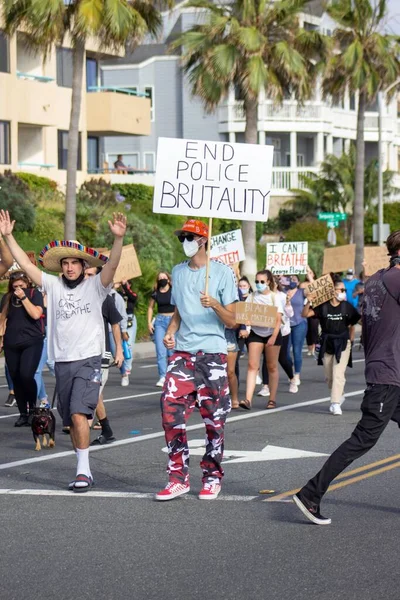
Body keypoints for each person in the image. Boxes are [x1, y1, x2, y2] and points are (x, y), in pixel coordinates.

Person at [0, 209, 126, 492]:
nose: (69, 268)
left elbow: (113, 267)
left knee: (80, 414)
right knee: (70, 419)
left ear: (83, 266)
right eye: (65, 264)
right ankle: (83, 466)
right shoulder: (54, 286)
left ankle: (83, 472)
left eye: (74, 263)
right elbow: (25, 264)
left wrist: (118, 240)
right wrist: (8, 236)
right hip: (62, 362)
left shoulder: (96, 286)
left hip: (89, 359)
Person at [293, 230, 400, 525]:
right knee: (363, 440)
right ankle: (310, 493)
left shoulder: (376, 280)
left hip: (387, 371)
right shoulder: (395, 279)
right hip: (387, 376)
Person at [155, 219, 238, 501]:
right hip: (183, 353)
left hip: (212, 354)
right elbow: (178, 310)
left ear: (203, 240)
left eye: (189, 237)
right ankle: (177, 477)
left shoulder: (223, 274)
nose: (185, 242)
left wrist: (214, 304)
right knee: (170, 413)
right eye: (182, 238)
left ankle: (212, 476)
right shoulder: (178, 272)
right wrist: (170, 331)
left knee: (214, 420)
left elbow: (234, 320)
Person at [303, 278, 360, 416]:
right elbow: (305, 314)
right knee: (329, 377)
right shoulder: (323, 306)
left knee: (338, 373)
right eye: (342, 290)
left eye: (345, 290)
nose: (344, 293)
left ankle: (335, 403)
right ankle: (340, 394)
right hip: (327, 342)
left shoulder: (347, 306)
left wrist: (352, 340)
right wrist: (309, 301)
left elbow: (355, 322)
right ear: (332, 292)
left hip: (342, 343)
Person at [85, 266, 124, 446]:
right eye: (85, 274)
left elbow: (115, 325)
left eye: (90, 275)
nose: (86, 277)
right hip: (82, 352)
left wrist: (119, 350)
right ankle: (106, 430)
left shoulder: (105, 299)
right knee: (96, 394)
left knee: (91, 394)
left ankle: (82, 435)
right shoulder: (77, 298)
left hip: (102, 353)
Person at [0, 271, 44, 426]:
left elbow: (36, 314)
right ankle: (23, 413)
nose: (18, 288)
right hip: (11, 343)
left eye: (21, 285)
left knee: (26, 375)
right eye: (15, 286)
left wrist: (23, 297)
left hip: (32, 341)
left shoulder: (34, 293)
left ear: (27, 284)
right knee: (16, 378)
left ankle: (32, 408)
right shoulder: (6, 298)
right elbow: (2, 320)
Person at [239, 270, 282, 410]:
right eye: (257, 281)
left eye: (262, 282)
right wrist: (245, 325)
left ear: (268, 282)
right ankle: (248, 399)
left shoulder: (274, 298)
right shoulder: (251, 297)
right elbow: (245, 314)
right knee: (252, 365)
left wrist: (273, 337)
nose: (259, 284)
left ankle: (272, 399)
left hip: (272, 333)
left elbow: (278, 319)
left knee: (272, 366)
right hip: (256, 333)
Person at [259, 277, 298, 397]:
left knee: (282, 358)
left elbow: (290, 314)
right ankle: (265, 386)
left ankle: (292, 379)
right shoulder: (261, 296)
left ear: (276, 284)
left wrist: (287, 303)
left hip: (282, 331)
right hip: (266, 331)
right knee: (267, 358)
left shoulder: (282, 296)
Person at [148, 271, 174, 387]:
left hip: (173, 321)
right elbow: (150, 307)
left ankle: (173, 375)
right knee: (160, 350)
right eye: (160, 278)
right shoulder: (156, 293)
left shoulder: (174, 291)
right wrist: (149, 323)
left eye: (164, 277)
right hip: (160, 322)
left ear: (168, 279)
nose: (162, 279)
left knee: (171, 351)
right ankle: (163, 376)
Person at [285, 275, 307, 386]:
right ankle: (291, 370)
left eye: (294, 280)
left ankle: (296, 374)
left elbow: (316, 289)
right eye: (289, 279)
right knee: (285, 353)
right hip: (286, 325)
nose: (291, 282)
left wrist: (309, 274)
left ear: (298, 282)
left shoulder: (302, 292)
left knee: (297, 351)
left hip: (299, 324)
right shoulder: (282, 292)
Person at [109, 284, 129, 386]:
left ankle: (124, 373)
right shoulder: (96, 293)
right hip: (99, 330)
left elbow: (123, 315)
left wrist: (124, 330)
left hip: (111, 331)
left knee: (115, 353)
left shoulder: (116, 297)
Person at [117, 279, 138, 377]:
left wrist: (125, 286)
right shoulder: (118, 295)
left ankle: (128, 366)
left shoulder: (132, 294)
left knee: (128, 344)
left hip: (130, 319)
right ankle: (124, 366)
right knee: (121, 345)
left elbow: (132, 297)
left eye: (127, 284)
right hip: (120, 319)